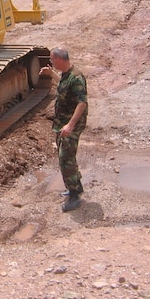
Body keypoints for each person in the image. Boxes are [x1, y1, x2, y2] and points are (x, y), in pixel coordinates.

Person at [39, 47, 88, 212]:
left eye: (53, 60)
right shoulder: (66, 75)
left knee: (66, 157)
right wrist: (50, 74)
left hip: (71, 124)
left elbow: (82, 103)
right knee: (65, 157)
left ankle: (75, 196)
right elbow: (62, 84)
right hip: (62, 123)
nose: (52, 63)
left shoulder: (77, 78)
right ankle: (75, 186)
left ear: (59, 60)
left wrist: (70, 125)